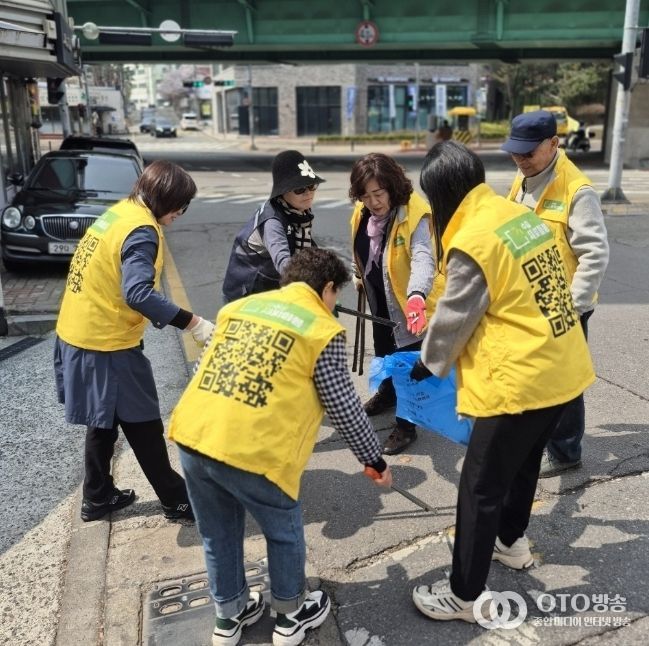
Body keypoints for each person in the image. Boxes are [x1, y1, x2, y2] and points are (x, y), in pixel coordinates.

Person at [409, 141, 595, 623]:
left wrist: (427, 362)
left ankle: (464, 595)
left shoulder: (474, 239)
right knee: (523, 462)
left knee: (480, 486)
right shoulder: (515, 215)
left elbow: (455, 317)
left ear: (442, 194)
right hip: (562, 365)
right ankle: (510, 542)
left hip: (521, 380)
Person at [169, 247, 391, 646]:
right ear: (327, 288)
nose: (333, 304)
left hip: (194, 436)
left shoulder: (240, 308)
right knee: (283, 532)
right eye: (335, 295)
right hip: (254, 450)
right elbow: (342, 405)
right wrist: (373, 459)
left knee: (217, 534)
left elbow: (206, 366)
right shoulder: (321, 329)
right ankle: (291, 615)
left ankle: (228, 616)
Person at [54, 160, 215, 523]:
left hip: (79, 330)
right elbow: (138, 292)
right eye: (180, 206)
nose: (180, 214)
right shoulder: (142, 231)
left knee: (103, 419)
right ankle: (176, 500)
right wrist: (193, 323)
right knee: (143, 423)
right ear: (165, 200)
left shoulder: (120, 213)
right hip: (106, 343)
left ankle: (97, 495)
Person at [502, 109, 609, 477]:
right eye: (515, 152)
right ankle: (538, 437)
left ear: (553, 143)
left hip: (565, 305)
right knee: (535, 375)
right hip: (528, 299)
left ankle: (565, 452)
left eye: (528, 152)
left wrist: (572, 311)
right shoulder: (524, 177)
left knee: (564, 381)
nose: (520, 159)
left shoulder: (577, 191)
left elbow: (594, 255)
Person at [349, 152, 442, 455]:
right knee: (384, 351)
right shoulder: (362, 211)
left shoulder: (415, 213)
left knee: (406, 366)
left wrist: (416, 296)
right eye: (365, 195)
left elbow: (423, 258)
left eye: (378, 193)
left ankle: (406, 427)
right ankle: (387, 394)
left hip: (408, 304)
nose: (373, 202)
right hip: (379, 298)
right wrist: (358, 274)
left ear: (391, 186)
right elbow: (360, 247)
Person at [222, 150, 325, 303]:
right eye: (300, 189)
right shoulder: (272, 222)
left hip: (269, 288)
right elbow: (284, 265)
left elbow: (309, 253)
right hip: (245, 295)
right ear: (283, 191)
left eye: (311, 185)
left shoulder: (297, 212)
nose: (308, 193)